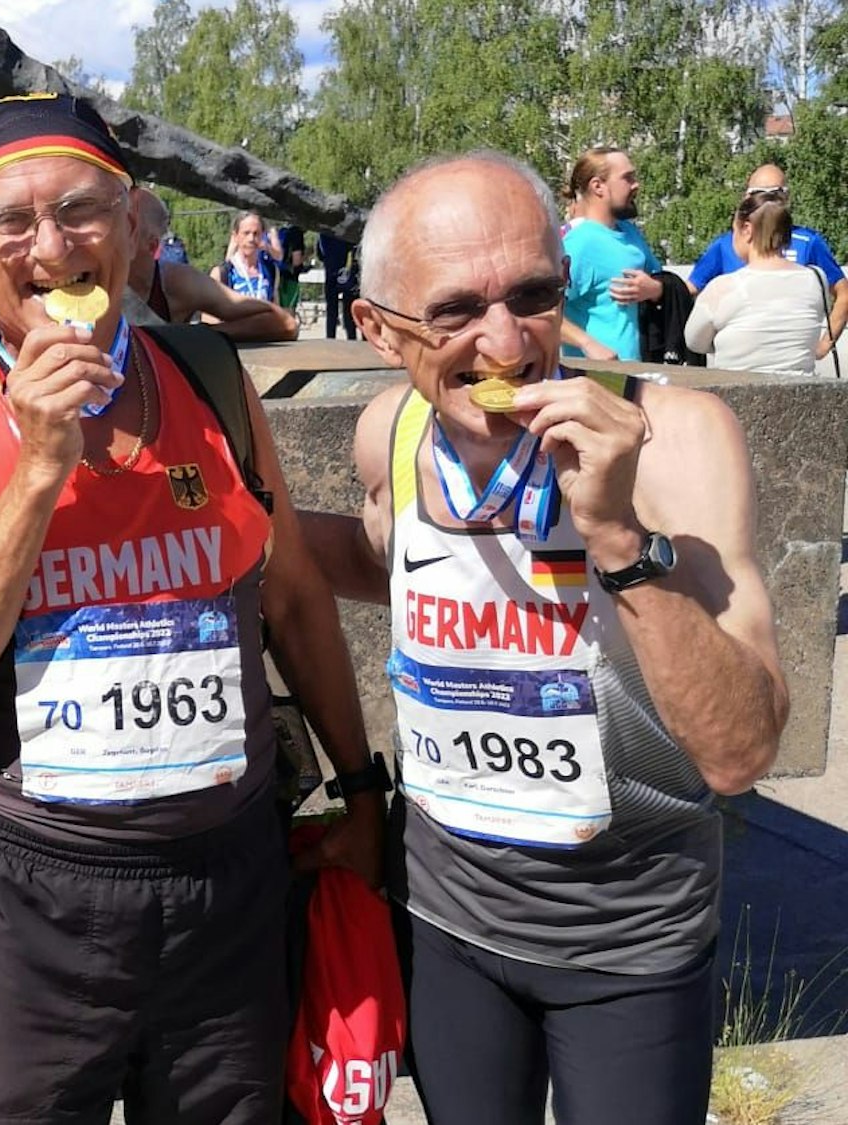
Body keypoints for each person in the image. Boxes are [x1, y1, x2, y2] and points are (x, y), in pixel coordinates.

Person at [0, 92, 384, 1125]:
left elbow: (290, 598)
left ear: (130, 221)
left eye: (81, 210)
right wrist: (33, 476)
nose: (51, 245)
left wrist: (361, 786)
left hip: (226, 888)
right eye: (10, 223)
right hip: (35, 908)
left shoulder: (204, 376)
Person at [306, 150, 786, 1125]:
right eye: (453, 311)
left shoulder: (671, 437)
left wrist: (613, 532)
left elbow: (738, 751)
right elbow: (379, 561)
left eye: (531, 295)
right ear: (376, 329)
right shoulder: (389, 434)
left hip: (628, 943)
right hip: (446, 926)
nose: (503, 344)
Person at [686, 162, 846, 361]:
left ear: (787, 197)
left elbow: (843, 293)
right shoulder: (726, 244)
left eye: (776, 193)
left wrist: (824, 346)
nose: (768, 202)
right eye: (759, 193)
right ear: (746, 198)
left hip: (793, 363)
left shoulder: (808, 241)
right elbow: (689, 289)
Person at [126, 187, 296, 340]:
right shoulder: (100, 279)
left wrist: (202, 335)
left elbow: (285, 323)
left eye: (124, 228)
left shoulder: (175, 282)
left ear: (151, 246)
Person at [560, 146, 663, 362]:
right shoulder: (579, 244)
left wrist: (656, 290)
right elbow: (544, 314)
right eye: (628, 178)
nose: (636, 185)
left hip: (636, 375)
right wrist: (588, 344)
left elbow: (658, 281)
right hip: (595, 379)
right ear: (598, 186)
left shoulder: (629, 232)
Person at [207, 211, 280, 308]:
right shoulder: (222, 273)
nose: (251, 239)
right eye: (246, 233)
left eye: (256, 233)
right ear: (235, 236)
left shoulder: (270, 271)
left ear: (262, 235)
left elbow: (275, 310)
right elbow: (209, 316)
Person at [318, 231, 358, 340]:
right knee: (349, 306)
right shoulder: (348, 231)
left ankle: (330, 336)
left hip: (331, 270)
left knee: (331, 307)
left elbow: (320, 254)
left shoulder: (324, 233)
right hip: (348, 271)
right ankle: (351, 335)